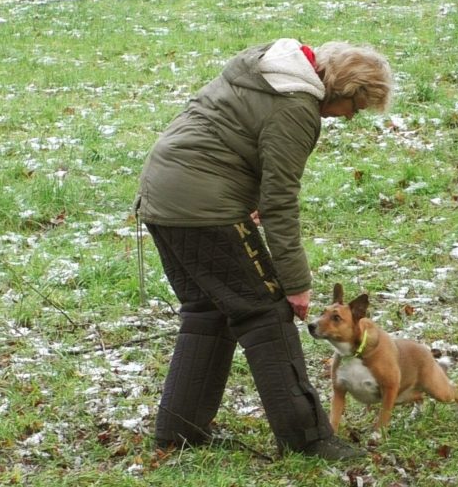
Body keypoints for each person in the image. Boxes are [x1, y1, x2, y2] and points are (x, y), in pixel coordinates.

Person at [135, 38, 392, 460]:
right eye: (357, 108)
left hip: (163, 196)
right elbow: (281, 201)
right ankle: (308, 439)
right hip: (202, 205)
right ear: (345, 90)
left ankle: (179, 432)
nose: (349, 118)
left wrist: (243, 197)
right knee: (266, 311)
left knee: (210, 308)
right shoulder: (297, 106)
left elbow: (232, 137)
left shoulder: (265, 72)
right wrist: (296, 284)